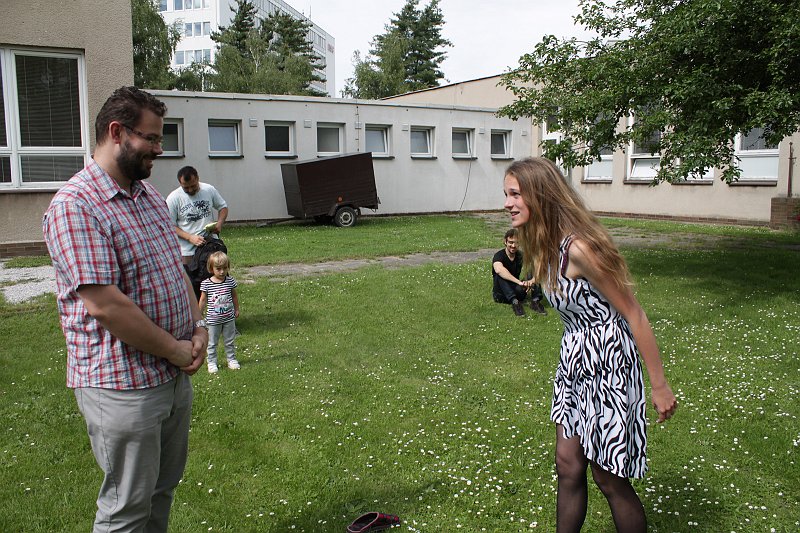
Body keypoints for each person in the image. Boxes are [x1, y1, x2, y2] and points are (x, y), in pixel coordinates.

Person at [43, 86, 208, 533]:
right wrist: (175, 349)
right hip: (123, 385)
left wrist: (197, 326)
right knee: (127, 509)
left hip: (172, 376)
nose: (159, 149)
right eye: (150, 138)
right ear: (117, 133)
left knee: (162, 490)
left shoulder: (149, 196)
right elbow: (106, 305)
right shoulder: (75, 206)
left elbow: (175, 270)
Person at [502, 157, 677, 532]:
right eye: (507, 194)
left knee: (607, 477)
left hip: (609, 363)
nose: (507, 203)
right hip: (575, 363)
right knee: (567, 464)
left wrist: (659, 386)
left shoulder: (579, 249)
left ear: (539, 194)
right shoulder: (545, 246)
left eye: (515, 194)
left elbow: (634, 313)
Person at [166, 165, 228, 266]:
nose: (190, 190)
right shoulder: (173, 198)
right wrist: (190, 237)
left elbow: (223, 207)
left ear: (197, 178)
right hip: (188, 252)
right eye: (186, 187)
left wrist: (219, 223)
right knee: (190, 276)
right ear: (180, 183)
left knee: (216, 275)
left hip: (211, 246)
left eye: (193, 186)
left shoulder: (209, 189)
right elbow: (169, 225)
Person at [199, 251, 241, 373]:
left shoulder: (230, 281)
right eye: (218, 269)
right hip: (213, 320)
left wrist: (236, 309)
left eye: (225, 268)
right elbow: (203, 300)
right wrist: (199, 314)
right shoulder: (207, 284)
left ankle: (231, 359)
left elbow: (234, 296)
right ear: (211, 268)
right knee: (212, 342)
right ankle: (211, 362)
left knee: (229, 340)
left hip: (229, 318)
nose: (222, 272)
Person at [492, 228, 547, 317]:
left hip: (518, 291)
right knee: (500, 274)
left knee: (533, 270)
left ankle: (535, 301)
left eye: (516, 243)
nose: (513, 246)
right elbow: (499, 270)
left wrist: (531, 281)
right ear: (505, 242)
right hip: (502, 294)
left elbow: (538, 266)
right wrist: (519, 282)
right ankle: (515, 303)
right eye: (511, 242)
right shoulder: (499, 255)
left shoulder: (520, 255)